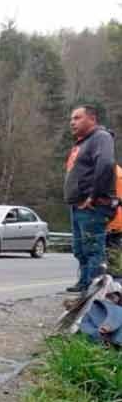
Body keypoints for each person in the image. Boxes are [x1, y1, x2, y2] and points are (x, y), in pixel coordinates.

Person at [64, 105, 117, 293]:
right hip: (78, 206)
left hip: (93, 206)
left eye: (77, 118)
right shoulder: (81, 143)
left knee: (93, 249)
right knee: (80, 249)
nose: (72, 122)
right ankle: (85, 284)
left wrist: (93, 196)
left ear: (92, 119)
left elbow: (106, 164)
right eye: (71, 118)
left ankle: (95, 290)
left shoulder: (101, 137)